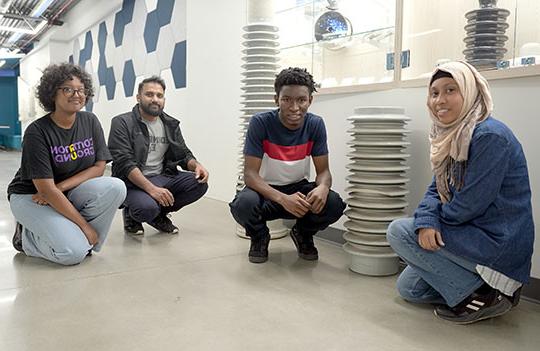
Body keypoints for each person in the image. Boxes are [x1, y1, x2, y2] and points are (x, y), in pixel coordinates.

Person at [386, 61, 534, 324]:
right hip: (470, 233)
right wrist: (428, 220)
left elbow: (469, 206)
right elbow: (436, 187)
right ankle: (489, 290)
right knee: (409, 289)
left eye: (451, 90)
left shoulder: (489, 136)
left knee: (399, 231)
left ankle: (488, 296)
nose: (440, 100)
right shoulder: (453, 135)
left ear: (470, 91)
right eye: (434, 93)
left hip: (495, 241)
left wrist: (426, 224)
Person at [7, 63, 126, 265]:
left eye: (81, 90)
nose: (76, 95)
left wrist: (61, 187)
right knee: (72, 253)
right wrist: (85, 227)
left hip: (62, 191)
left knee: (116, 186)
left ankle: (80, 240)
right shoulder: (37, 132)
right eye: (68, 89)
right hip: (30, 196)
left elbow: (99, 167)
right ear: (52, 93)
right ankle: (26, 238)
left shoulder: (90, 121)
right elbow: (44, 190)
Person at [229, 67, 346, 264]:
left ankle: (303, 234)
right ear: (277, 100)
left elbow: (323, 171)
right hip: (265, 192)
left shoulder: (315, 124)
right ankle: (259, 237)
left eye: (301, 100)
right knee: (243, 205)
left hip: (298, 191)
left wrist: (323, 187)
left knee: (333, 203)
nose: (294, 107)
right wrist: (283, 199)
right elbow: (250, 175)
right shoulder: (260, 123)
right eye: (287, 99)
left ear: (310, 100)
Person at [108, 76, 208, 235]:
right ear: (138, 97)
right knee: (146, 208)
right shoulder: (122, 122)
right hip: (131, 181)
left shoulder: (170, 123)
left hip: (163, 176)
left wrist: (196, 165)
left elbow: (183, 153)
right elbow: (125, 163)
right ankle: (132, 213)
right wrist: (152, 189)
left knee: (199, 184)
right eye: (149, 94)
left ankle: (158, 215)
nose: (155, 99)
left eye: (159, 96)